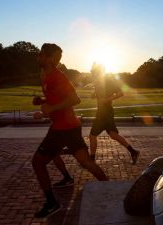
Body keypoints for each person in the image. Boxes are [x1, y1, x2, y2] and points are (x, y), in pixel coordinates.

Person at [32, 43, 108, 219]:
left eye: (42, 54)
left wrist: (51, 108)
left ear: (50, 58)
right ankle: (108, 187)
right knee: (86, 162)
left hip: (62, 129)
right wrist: (42, 101)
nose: (38, 57)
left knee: (37, 162)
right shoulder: (47, 76)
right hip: (68, 127)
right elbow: (57, 99)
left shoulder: (58, 77)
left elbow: (75, 99)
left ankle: (52, 203)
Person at [89, 63, 140, 164]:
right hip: (102, 111)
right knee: (113, 134)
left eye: (93, 71)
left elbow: (121, 93)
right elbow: (101, 94)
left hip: (105, 112)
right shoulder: (98, 82)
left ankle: (91, 159)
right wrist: (94, 95)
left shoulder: (108, 81)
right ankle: (133, 152)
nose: (92, 73)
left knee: (92, 135)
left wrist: (107, 100)